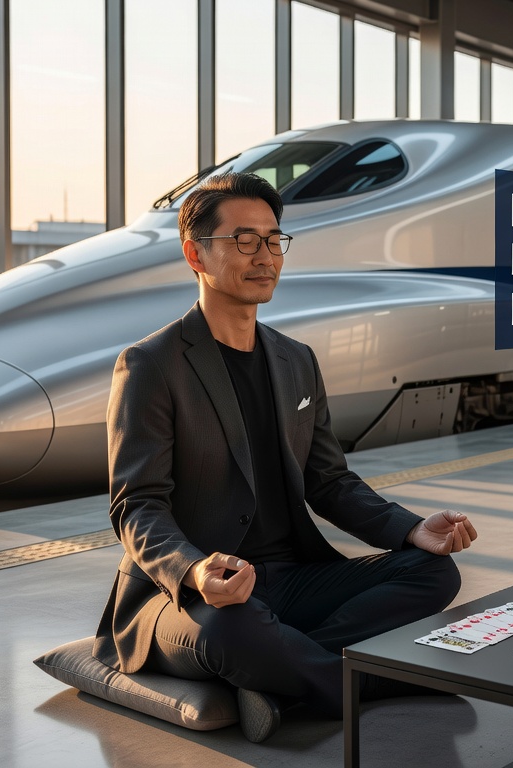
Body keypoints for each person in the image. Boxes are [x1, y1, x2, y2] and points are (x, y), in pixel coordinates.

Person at [92, 171, 477, 743]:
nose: (265, 255)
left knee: (433, 571)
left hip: (293, 580)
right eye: (244, 240)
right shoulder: (151, 364)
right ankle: (359, 678)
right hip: (195, 595)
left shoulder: (296, 360)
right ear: (195, 253)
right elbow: (137, 506)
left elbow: (329, 481)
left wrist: (412, 528)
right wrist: (196, 570)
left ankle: (280, 673)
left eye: (274, 240)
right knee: (232, 634)